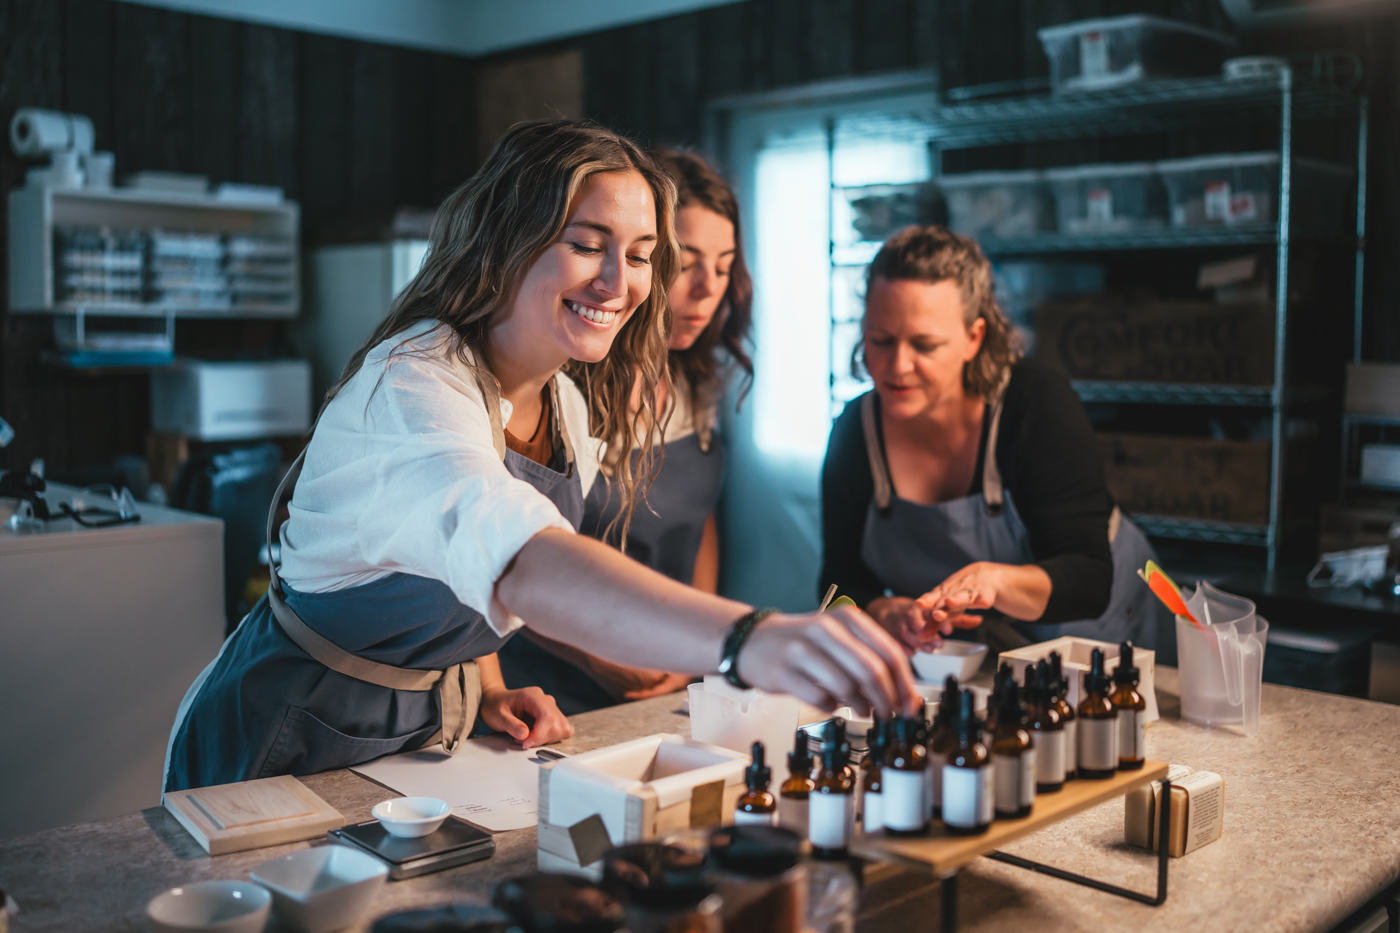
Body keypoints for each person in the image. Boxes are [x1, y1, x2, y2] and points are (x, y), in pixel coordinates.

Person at [165, 120, 917, 792]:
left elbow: (465, 567)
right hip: (282, 734)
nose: (618, 283)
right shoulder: (411, 386)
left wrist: (483, 685)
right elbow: (518, 553)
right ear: (505, 240)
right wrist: (747, 639)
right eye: (587, 245)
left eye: (643, 255)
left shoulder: (566, 402)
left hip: (419, 738)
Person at [819, 225, 1170, 659]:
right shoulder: (854, 432)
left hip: (1102, 638)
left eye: (925, 345)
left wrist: (995, 581)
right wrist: (882, 610)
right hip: (977, 657)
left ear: (974, 337)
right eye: (880, 340)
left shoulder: (1035, 406)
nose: (897, 365)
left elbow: (1089, 578)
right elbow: (836, 589)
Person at [498, 148, 752, 713]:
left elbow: (699, 521)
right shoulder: (560, 387)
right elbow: (504, 561)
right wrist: (605, 659)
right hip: (552, 691)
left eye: (726, 262)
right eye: (686, 263)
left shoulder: (698, 383)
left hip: (670, 675)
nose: (709, 288)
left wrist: (698, 638)